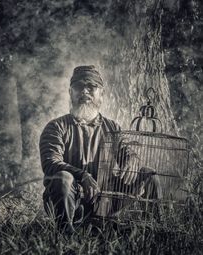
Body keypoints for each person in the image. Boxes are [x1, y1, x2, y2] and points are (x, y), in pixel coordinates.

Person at [39, 65, 161, 233]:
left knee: (149, 174)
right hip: (70, 200)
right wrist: (82, 176)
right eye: (79, 86)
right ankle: (65, 234)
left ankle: (154, 229)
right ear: (70, 92)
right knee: (63, 178)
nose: (85, 92)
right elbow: (50, 163)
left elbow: (127, 150)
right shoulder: (56, 127)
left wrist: (132, 160)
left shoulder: (112, 127)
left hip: (105, 201)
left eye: (91, 87)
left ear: (101, 94)